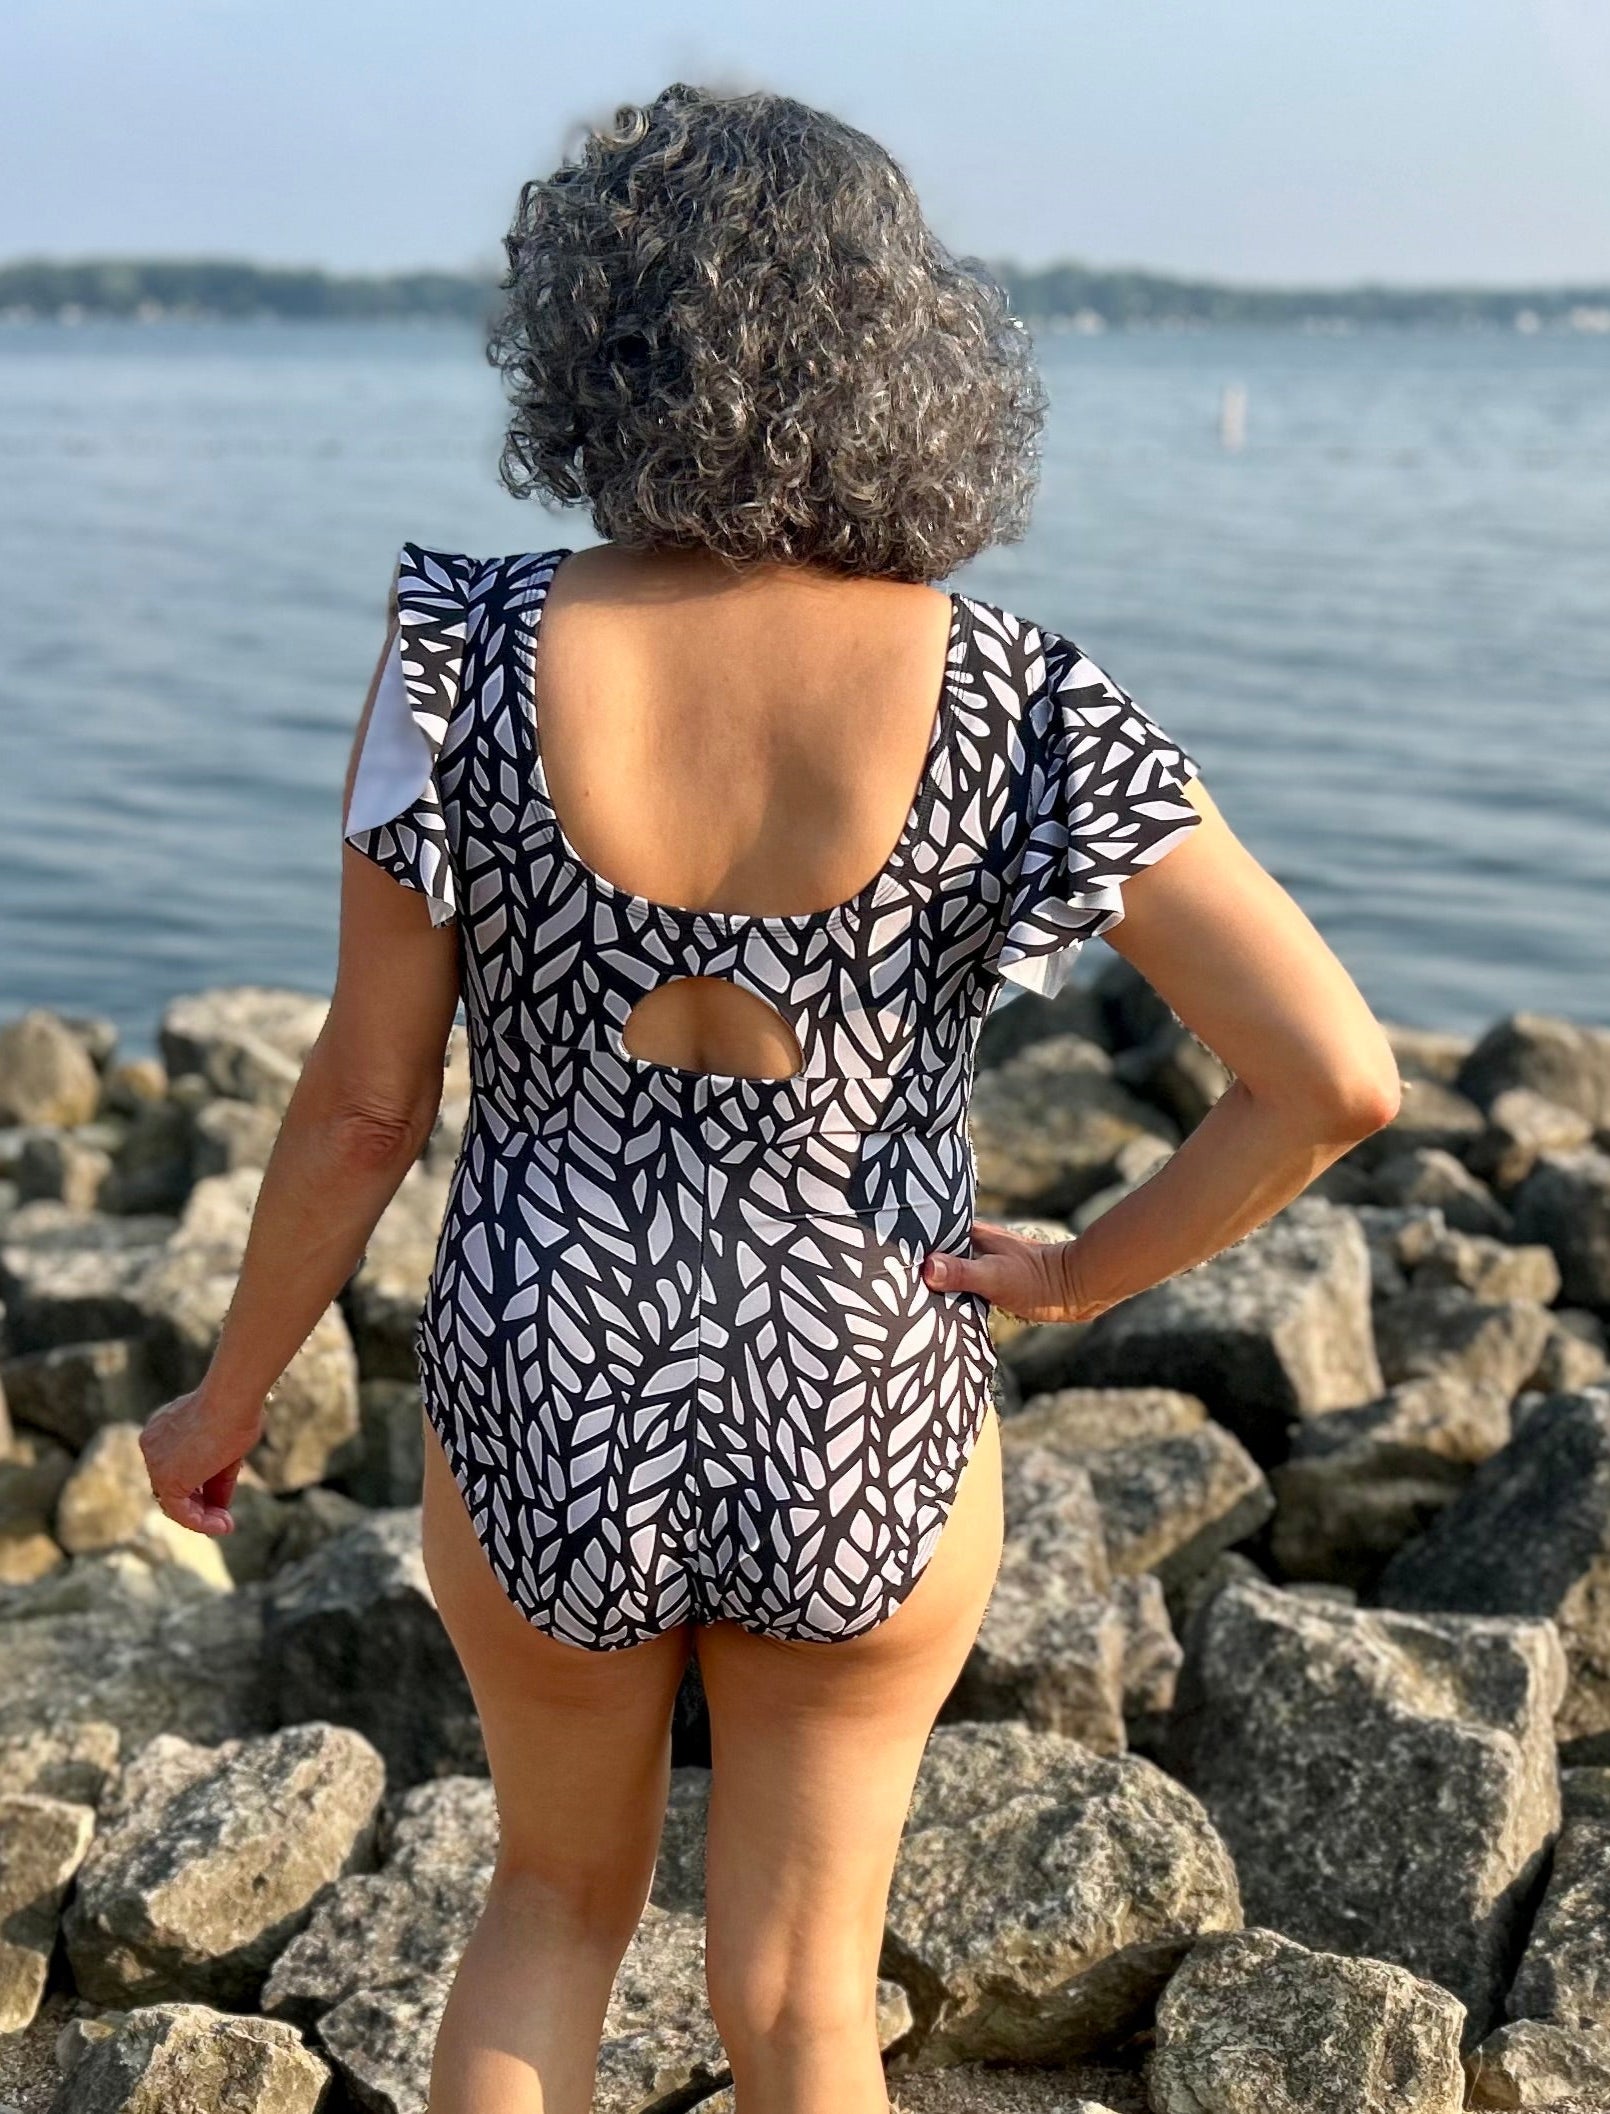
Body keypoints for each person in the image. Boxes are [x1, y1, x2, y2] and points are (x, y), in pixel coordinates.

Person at [139, 82, 1401, 2114]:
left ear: (585, 341)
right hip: (863, 1381)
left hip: (548, 1369)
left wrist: (222, 1404)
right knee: (805, 1995)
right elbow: (1333, 1073)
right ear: (902, 344)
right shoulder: (1012, 690)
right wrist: (1082, 1270)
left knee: (546, 1905)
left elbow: (365, 1112)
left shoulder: (457, 652)